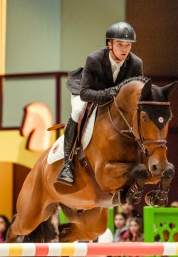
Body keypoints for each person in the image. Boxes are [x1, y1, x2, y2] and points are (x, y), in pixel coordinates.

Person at [57, 21, 143, 185]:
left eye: (128, 45)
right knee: (77, 110)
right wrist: (109, 93)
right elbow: (85, 93)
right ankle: (68, 163)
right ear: (109, 44)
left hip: (115, 100)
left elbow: (136, 91)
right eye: (120, 44)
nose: (124, 49)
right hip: (88, 92)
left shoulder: (136, 63)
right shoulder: (94, 59)